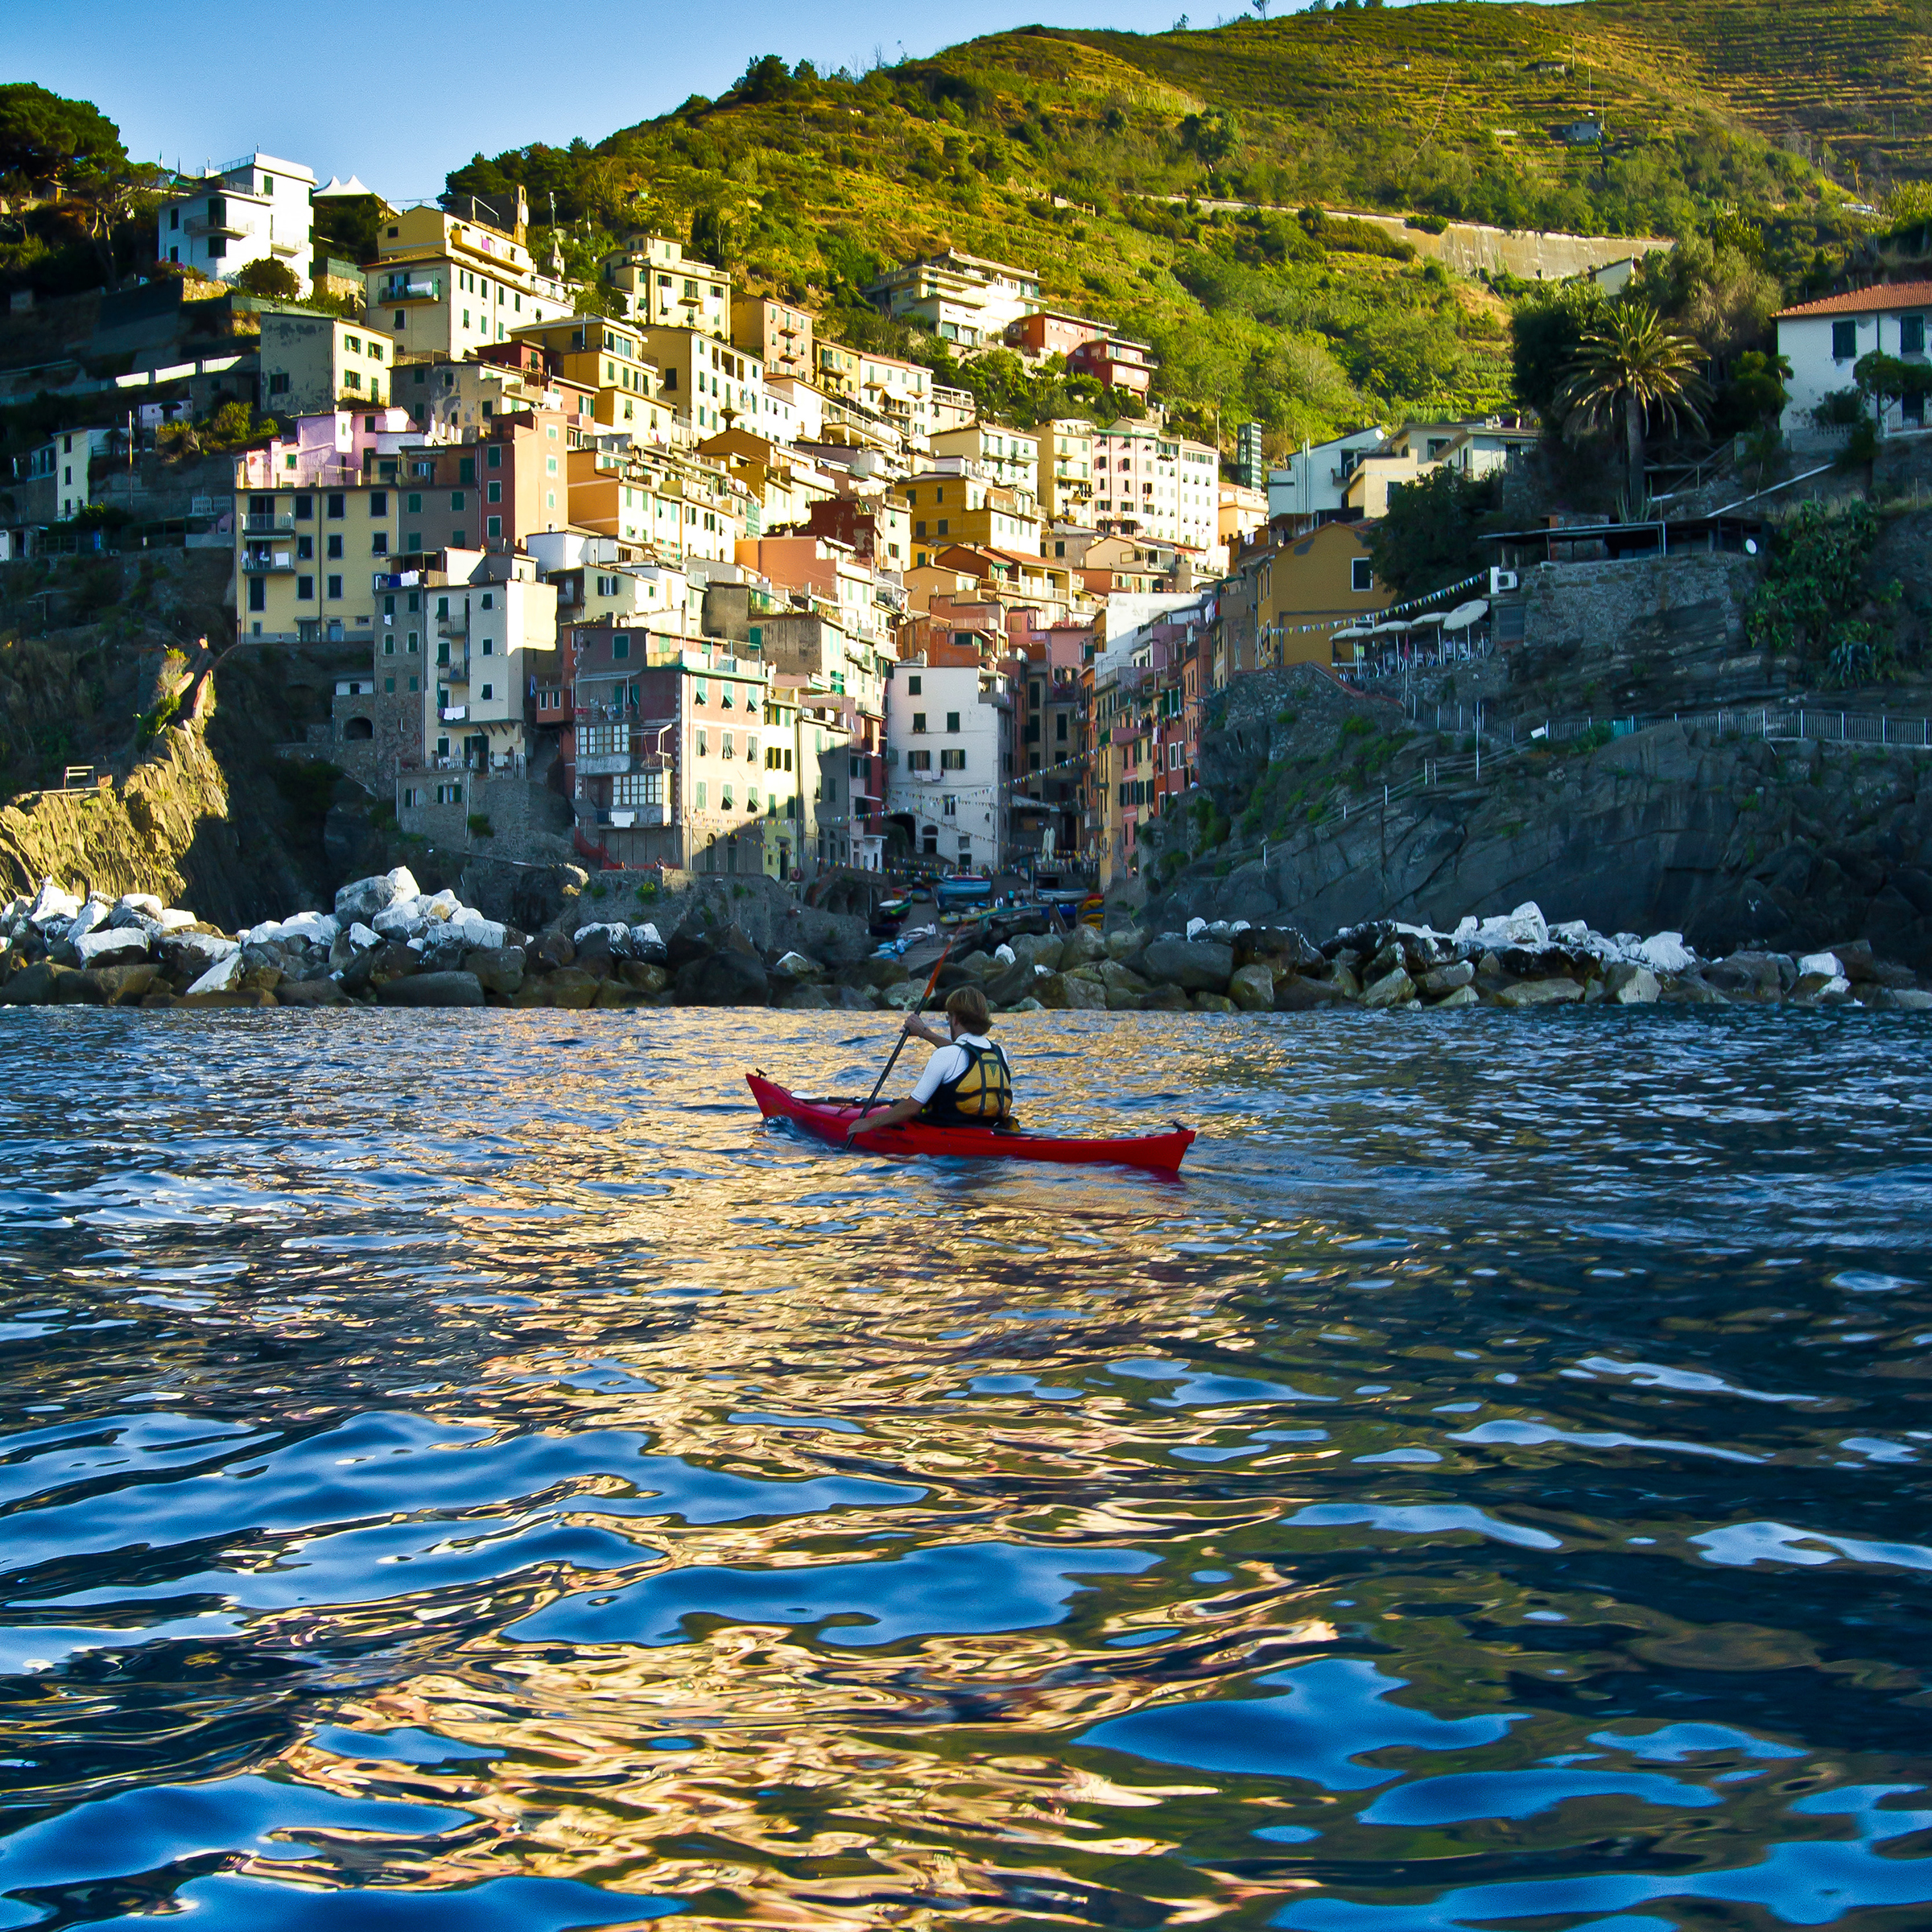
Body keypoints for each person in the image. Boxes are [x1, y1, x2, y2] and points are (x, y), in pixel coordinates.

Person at [844, 985, 1013, 1140]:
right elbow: (963, 1052)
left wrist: (870, 1123)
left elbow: (912, 1108)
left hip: (949, 1134)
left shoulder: (946, 1055)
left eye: (949, 1017)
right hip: (994, 1130)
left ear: (955, 1019)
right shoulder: (999, 1052)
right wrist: (924, 1033)